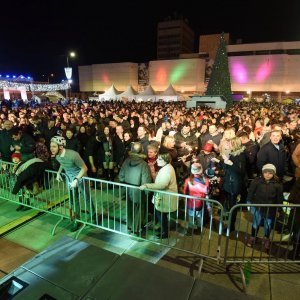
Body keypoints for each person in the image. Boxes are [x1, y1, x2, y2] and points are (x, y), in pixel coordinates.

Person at [50, 135, 95, 232]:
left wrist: (76, 180)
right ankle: (77, 220)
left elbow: (84, 168)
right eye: (51, 146)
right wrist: (58, 173)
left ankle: (93, 217)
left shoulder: (73, 155)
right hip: (69, 178)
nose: (51, 148)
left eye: (54, 146)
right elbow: (63, 162)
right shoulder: (57, 155)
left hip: (81, 177)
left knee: (86, 197)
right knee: (73, 200)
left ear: (61, 147)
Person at [140, 151, 178, 239]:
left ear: (166, 160)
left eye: (160, 159)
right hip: (163, 197)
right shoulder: (166, 168)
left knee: (161, 215)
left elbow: (162, 185)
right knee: (161, 215)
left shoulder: (166, 170)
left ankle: (164, 232)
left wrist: (147, 185)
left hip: (164, 198)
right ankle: (163, 230)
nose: (157, 160)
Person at [246, 164, 284, 251]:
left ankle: (266, 238)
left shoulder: (277, 185)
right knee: (256, 223)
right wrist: (248, 202)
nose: (267, 175)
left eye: (270, 173)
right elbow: (251, 192)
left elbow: (279, 198)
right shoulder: (257, 181)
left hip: (270, 209)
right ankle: (253, 237)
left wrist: (279, 209)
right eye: (266, 172)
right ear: (262, 172)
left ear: (274, 174)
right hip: (257, 207)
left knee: (268, 225)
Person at [119, 142, 152, 235]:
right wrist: (147, 192)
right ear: (142, 150)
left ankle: (130, 226)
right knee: (139, 209)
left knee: (130, 208)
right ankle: (136, 229)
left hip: (127, 188)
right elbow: (146, 180)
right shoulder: (144, 164)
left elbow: (121, 176)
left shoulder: (126, 161)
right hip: (139, 190)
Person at [183, 163, 210, 235]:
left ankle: (190, 230)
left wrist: (185, 200)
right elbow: (207, 192)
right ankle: (198, 230)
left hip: (190, 202)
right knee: (199, 216)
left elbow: (185, 191)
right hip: (200, 202)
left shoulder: (188, 180)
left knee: (191, 216)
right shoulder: (206, 180)